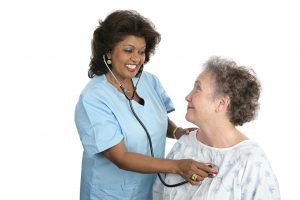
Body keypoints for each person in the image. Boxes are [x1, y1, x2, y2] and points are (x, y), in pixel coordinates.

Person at [74, 10, 214, 200]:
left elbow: (154, 117)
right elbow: (120, 157)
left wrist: (177, 132)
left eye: (141, 51)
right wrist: (178, 166)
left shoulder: (149, 81)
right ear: (108, 52)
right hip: (109, 194)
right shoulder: (93, 98)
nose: (137, 58)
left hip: (149, 189)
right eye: (128, 50)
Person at [153, 57, 281, 199]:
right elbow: (158, 193)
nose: (187, 97)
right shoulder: (185, 143)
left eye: (198, 89)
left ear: (221, 102)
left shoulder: (251, 161)